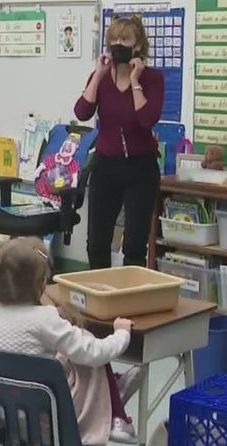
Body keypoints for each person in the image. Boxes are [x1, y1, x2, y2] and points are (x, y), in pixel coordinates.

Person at [0, 238, 141, 444]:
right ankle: (111, 403)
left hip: (2, 420)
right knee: (83, 343)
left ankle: (111, 391)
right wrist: (121, 334)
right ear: (42, 284)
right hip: (49, 423)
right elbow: (95, 353)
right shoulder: (45, 319)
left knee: (58, 354)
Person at [73, 15, 165, 269]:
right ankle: (100, 298)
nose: (118, 44)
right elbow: (82, 112)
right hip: (106, 166)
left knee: (134, 245)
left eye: (124, 39)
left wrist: (135, 81)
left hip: (141, 169)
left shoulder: (152, 79)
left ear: (138, 46)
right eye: (113, 39)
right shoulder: (100, 76)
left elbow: (147, 120)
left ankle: (129, 301)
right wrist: (98, 75)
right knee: (97, 243)